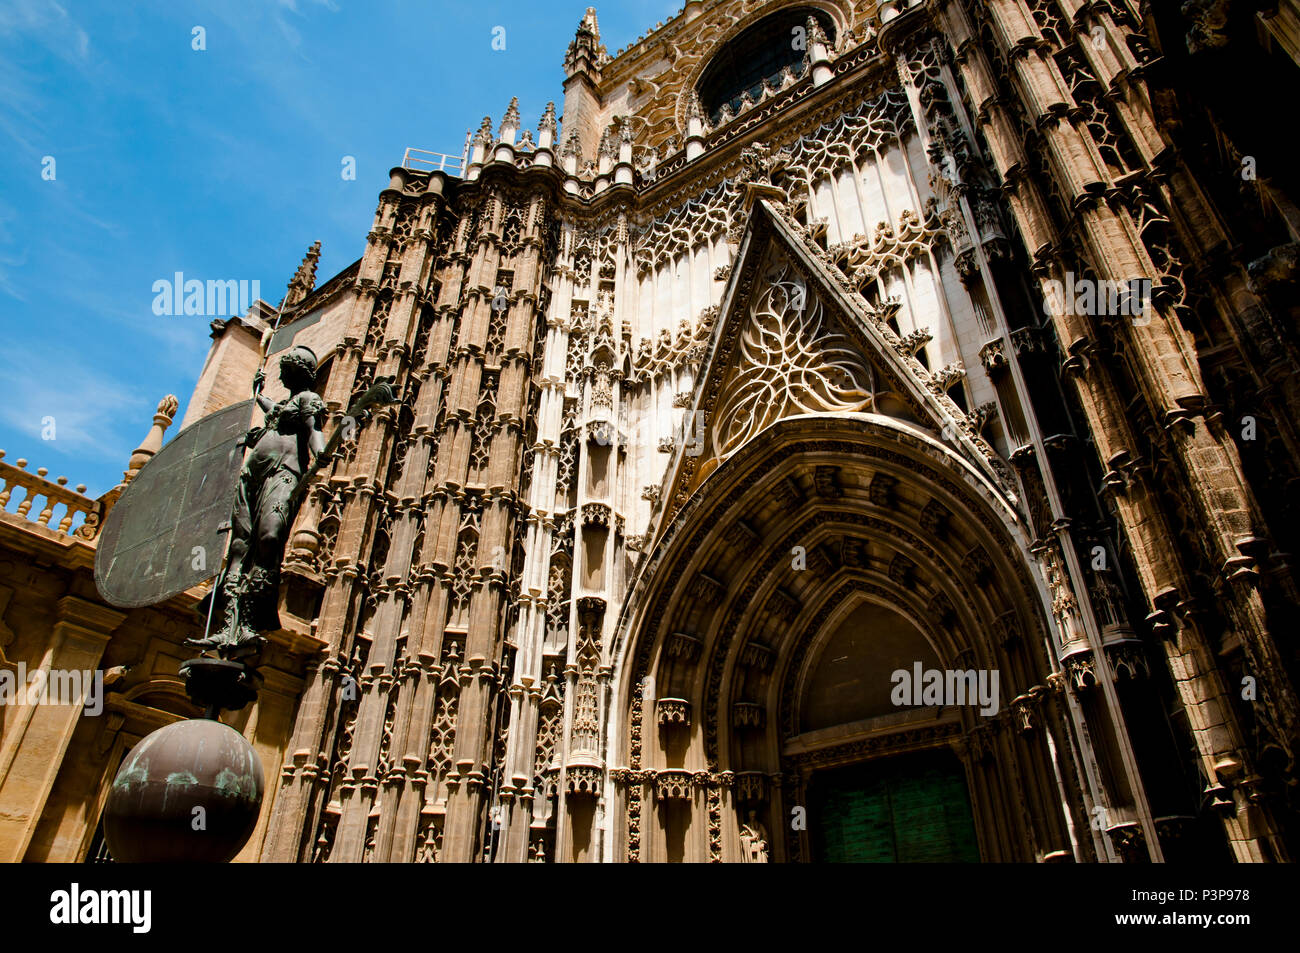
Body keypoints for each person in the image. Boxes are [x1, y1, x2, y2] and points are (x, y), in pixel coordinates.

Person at [190, 345, 326, 658]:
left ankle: (250, 617)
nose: (282, 371)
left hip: (285, 471)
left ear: (301, 371)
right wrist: (257, 391)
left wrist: (320, 453)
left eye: (288, 366)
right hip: (253, 475)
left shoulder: (309, 400)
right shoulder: (281, 405)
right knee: (240, 547)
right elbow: (267, 407)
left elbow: (314, 430)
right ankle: (229, 624)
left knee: (270, 535)